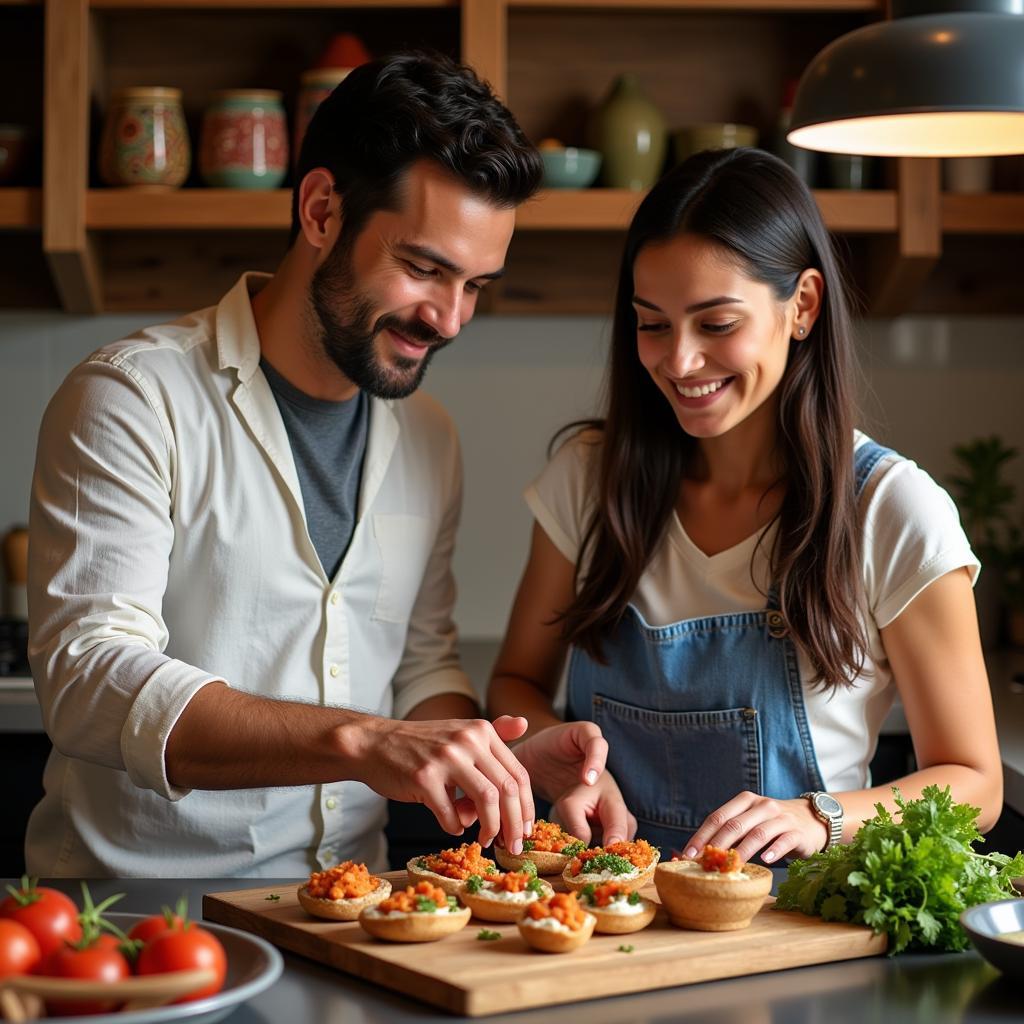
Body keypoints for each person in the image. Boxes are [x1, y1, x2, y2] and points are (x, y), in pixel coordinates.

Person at [26, 52, 611, 878]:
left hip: (356, 910)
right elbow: (91, 679)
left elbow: (422, 664)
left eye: (476, 284)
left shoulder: (429, 435)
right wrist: (360, 741)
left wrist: (500, 757)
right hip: (137, 918)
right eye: (423, 268)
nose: (448, 318)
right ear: (322, 209)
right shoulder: (132, 398)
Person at [488, 147, 1003, 863]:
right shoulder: (589, 478)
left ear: (804, 306)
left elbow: (975, 785)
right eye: (653, 323)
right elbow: (515, 682)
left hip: (796, 931)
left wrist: (816, 818)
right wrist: (563, 760)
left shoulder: (890, 510)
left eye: (716, 323)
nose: (679, 361)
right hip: (597, 921)